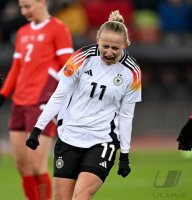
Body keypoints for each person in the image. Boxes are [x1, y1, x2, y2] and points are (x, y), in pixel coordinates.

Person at [26, 10, 142, 200]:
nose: (109, 52)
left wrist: (125, 155)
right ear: (97, 39)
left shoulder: (133, 72)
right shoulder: (82, 58)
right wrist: (38, 128)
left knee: (81, 196)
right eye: (105, 46)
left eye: (115, 48)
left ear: (126, 45)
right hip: (69, 136)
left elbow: (127, 115)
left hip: (102, 140)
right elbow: (59, 95)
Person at [0, 0, 74, 199]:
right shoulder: (23, 32)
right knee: (22, 167)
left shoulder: (58, 29)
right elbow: (16, 68)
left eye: (28, 6)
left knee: (36, 166)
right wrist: (3, 95)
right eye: (21, 7)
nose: (24, 11)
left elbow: (68, 66)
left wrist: (63, 98)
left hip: (41, 103)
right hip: (19, 102)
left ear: (42, 2)